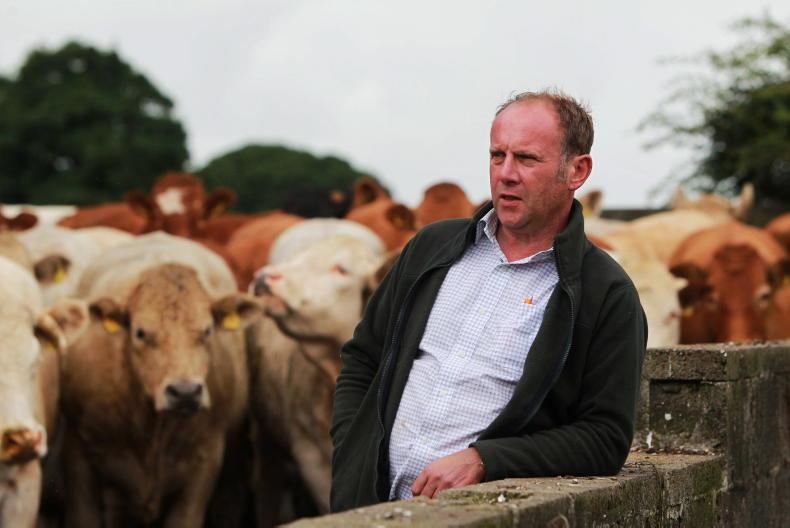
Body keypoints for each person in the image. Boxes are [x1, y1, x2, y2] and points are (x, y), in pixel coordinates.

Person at [330, 89, 647, 511]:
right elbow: (363, 358)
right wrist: (354, 450)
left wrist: (485, 460)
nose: (506, 174)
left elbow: (603, 437)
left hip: (478, 516)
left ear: (577, 170)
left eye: (527, 159)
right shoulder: (431, 248)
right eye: (498, 156)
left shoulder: (605, 292)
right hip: (368, 509)